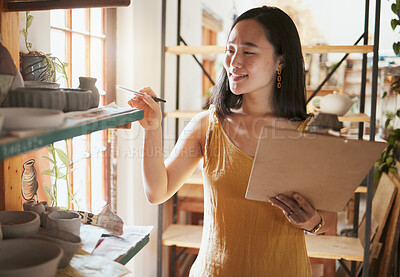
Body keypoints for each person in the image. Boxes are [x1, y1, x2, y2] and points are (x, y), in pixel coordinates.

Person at [128, 5, 337, 277]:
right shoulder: (208, 125)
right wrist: (152, 128)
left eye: (248, 51)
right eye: (230, 49)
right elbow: (157, 191)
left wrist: (312, 221)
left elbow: (329, 218)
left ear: (281, 61)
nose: (234, 62)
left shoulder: (310, 133)